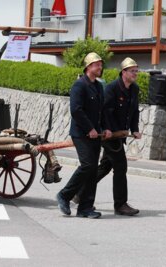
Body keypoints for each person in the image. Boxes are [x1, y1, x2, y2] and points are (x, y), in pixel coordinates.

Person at [56, 52, 111, 219]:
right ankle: (64, 195)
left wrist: (106, 128)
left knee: (93, 170)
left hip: (96, 134)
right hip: (81, 134)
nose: (100, 67)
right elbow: (76, 110)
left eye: (101, 64)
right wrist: (89, 129)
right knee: (87, 165)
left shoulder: (99, 86)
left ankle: (85, 208)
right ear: (88, 67)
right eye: (96, 65)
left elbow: (103, 110)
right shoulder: (79, 85)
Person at [93, 57, 141, 216]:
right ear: (124, 72)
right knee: (121, 166)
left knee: (106, 166)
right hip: (109, 134)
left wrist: (134, 129)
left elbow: (134, 111)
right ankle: (120, 204)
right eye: (132, 71)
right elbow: (105, 111)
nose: (135, 73)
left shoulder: (134, 89)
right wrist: (108, 130)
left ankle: (80, 192)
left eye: (136, 71)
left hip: (120, 135)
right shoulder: (112, 88)